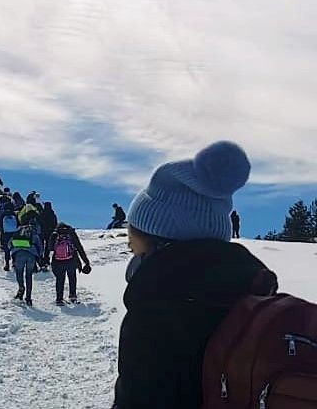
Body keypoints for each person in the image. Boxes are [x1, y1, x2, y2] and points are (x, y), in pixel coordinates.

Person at [112, 141, 278, 408]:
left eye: (134, 238)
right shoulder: (254, 296)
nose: (130, 248)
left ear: (159, 241)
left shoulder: (156, 309)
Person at [44, 222, 90, 305]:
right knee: (72, 278)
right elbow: (79, 248)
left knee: (60, 280)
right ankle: (72, 297)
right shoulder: (71, 234)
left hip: (57, 261)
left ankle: (59, 299)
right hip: (71, 261)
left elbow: (49, 248)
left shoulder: (55, 234)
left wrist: (45, 260)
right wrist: (86, 262)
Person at [8, 214, 43, 306]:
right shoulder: (34, 232)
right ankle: (28, 297)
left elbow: (9, 244)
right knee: (29, 275)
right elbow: (40, 246)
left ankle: (21, 288)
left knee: (19, 272)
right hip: (31, 255)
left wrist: (13, 251)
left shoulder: (18, 230)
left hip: (19, 254)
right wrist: (38, 256)